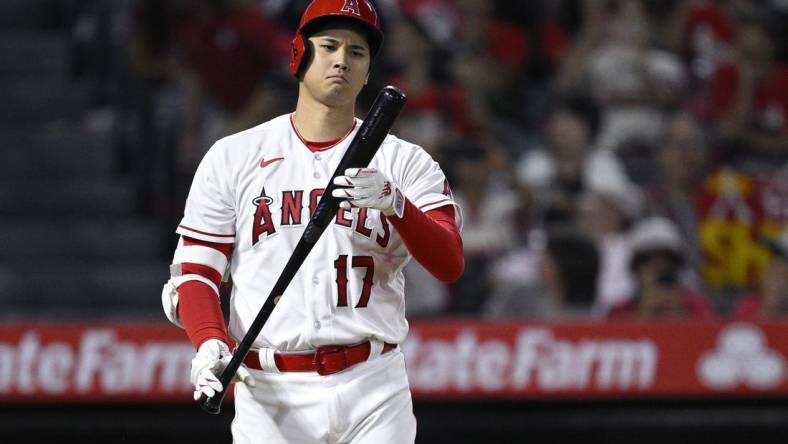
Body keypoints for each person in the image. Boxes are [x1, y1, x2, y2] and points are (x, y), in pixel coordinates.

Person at [160, 1, 464, 443]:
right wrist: (209, 341)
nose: (342, 59)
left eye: (357, 52)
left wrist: (398, 205)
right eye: (329, 46)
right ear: (298, 55)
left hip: (373, 385)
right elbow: (197, 272)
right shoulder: (234, 156)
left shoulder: (405, 162)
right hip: (270, 391)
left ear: (368, 71)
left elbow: (450, 262)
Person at [607, 217, 716, 320]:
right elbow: (611, 336)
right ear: (636, 268)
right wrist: (644, 313)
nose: (659, 268)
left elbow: (711, 334)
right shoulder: (618, 311)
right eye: (647, 261)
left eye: (666, 261)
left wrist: (679, 314)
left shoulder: (696, 305)